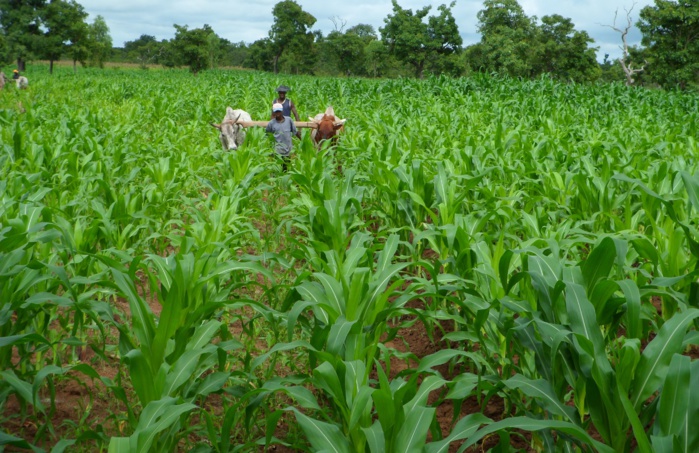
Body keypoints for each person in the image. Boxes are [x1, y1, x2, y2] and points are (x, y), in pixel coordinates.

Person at [266, 103, 297, 172]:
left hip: (288, 151)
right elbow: (267, 135)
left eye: (279, 111)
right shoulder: (271, 123)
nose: (277, 113)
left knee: (286, 170)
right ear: (274, 112)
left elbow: (295, 132)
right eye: (276, 111)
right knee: (277, 172)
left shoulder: (289, 120)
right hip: (277, 152)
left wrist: (302, 141)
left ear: (282, 111)